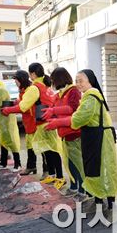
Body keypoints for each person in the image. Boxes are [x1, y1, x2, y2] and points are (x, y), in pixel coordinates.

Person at [47, 69, 117, 213]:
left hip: (99, 139)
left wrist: (58, 122)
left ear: (90, 81)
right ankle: (100, 201)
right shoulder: (87, 96)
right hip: (92, 137)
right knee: (95, 170)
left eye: (81, 80)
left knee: (102, 170)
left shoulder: (91, 97)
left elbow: (79, 118)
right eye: (76, 80)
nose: (78, 84)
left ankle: (109, 205)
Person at [1, 68, 66, 190]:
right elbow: (22, 101)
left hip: (45, 122)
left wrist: (8, 110)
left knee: (53, 151)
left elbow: (23, 106)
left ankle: (60, 177)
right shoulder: (45, 85)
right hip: (46, 121)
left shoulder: (34, 87)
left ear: (32, 74)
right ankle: (52, 175)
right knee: (47, 150)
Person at [43, 67, 85, 197]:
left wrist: (54, 112)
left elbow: (73, 109)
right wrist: (51, 116)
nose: (52, 83)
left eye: (53, 80)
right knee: (69, 163)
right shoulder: (60, 94)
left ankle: (82, 190)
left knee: (78, 164)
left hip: (75, 132)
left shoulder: (73, 91)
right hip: (64, 133)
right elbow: (55, 108)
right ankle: (73, 186)